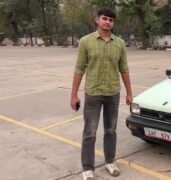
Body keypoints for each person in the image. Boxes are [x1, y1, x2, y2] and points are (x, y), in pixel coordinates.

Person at [70, 8, 133, 180]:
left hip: (113, 93)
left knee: (111, 130)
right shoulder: (86, 42)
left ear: (113, 23)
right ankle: (87, 168)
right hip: (93, 93)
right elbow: (79, 68)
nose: (108, 22)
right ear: (97, 20)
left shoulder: (119, 44)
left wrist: (129, 93)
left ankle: (110, 161)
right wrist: (74, 95)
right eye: (104, 18)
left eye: (111, 20)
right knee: (90, 132)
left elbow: (124, 69)